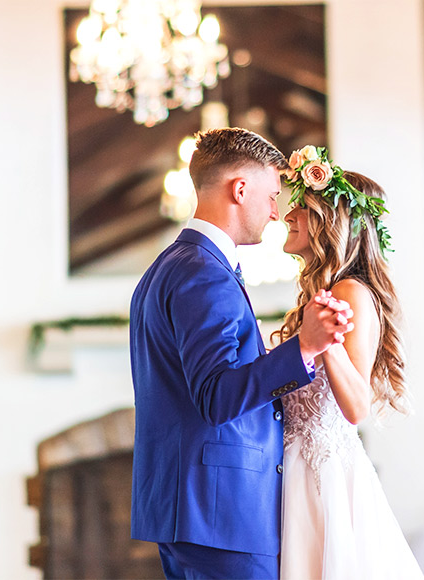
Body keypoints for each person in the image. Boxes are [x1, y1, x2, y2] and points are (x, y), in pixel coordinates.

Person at [129, 129, 354, 579]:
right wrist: (305, 346)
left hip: (194, 511)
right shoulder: (202, 273)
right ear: (240, 189)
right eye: (272, 196)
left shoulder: (169, 266)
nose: (275, 213)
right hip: (221, 512)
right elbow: (215, 396)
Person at [276, 145, 424, 579]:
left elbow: (356, 406)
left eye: (300, 209)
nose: (287, 216)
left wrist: (320, 340)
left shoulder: (350, 293)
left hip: (324, 481)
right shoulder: (324, 294)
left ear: (330, 223)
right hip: (300, 471)